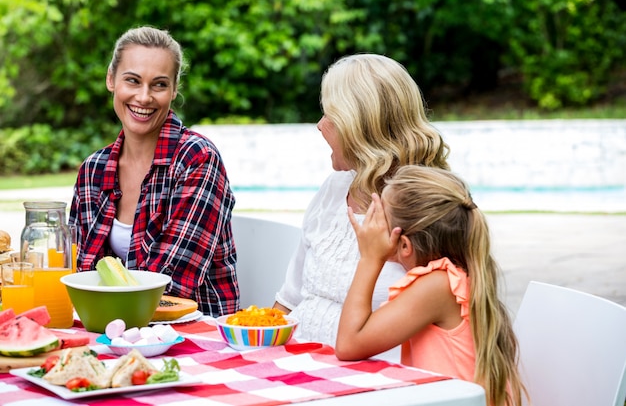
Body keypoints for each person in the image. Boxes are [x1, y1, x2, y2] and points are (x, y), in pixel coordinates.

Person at [273, 53, 450, 346]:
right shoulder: (332, 190)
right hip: (298, 369)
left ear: (360, 125)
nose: (320, 125)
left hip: (376, 381)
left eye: (330, 114)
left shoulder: (429, 209)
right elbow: (289, 302)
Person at [69, 26, 238, 316]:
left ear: (174, 90)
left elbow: (168, 286)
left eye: (158, 85)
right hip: (112, 328)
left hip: (196, 337)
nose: (144, 97)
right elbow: (77, 273)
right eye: (132, 81)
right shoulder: (92, 171)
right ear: (111, 80)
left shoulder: (197, 159)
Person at [335, 165, 527, 406]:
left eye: (379, 216)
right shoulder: (454, 278)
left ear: (405, 245)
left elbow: (349, 344)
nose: (371, 224)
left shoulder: (439, 285)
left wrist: (370, 258)